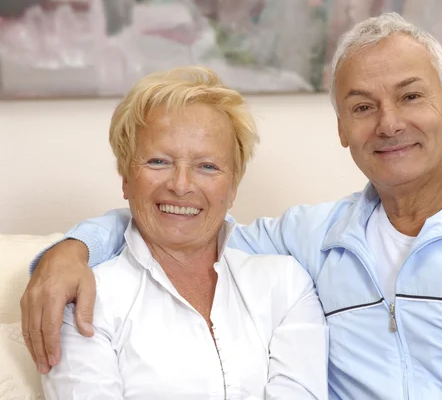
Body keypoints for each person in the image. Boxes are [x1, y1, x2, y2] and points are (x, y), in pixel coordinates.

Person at [23, 12, 442, 400]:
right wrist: (69, 251)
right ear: (342, 128)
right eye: (363, 106)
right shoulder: (308, 240)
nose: (389, 123)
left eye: (411, 95)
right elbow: (179, 222)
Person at [39, 65, 329, 400]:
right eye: (158, 162)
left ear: (233, 187)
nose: (180, 185)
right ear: (125, 179)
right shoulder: (85, 298)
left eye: (207, 166)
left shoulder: (286, 285)